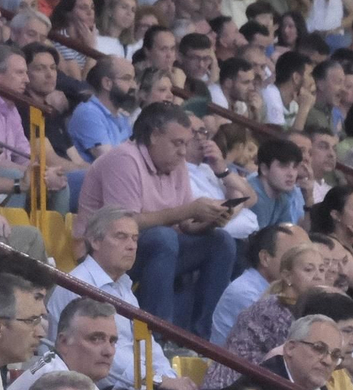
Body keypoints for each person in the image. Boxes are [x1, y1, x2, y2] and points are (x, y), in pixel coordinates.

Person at [75, 102, 235, 337]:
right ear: (153, 136)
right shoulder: (123, 159)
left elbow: (185, 225)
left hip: (154, 250)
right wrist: (189, 210)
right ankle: (158, 337)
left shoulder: (175, 163)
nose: (183, 152)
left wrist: (209, 219)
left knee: (221, 241)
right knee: (163, 237)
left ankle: (201, 338)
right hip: (103, 252)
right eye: (177, 143)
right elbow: (123, 223)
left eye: (185, 144)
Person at [48, 207, 197, 390]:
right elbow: (103, 353)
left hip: (135, 385)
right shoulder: (78, 286)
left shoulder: (124, 287)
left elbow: (146, 344)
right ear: (95, 241)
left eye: (135, 239)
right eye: (121, 237)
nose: (131, 246)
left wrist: (169, 378)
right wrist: (159, 381)